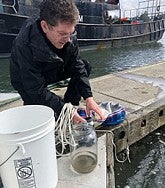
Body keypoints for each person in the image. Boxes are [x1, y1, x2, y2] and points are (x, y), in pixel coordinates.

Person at [10, 0, 104, 123]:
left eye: (71, 33)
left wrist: (88, 97)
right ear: (45, 26)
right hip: (26, 77)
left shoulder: (69, 35)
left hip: (54, 66)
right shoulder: (24, 43)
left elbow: (77, 65)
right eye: (62, 34)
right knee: (36, 105)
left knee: (84, 66)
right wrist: (62, 109)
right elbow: (34, 89)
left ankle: (71, 104)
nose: (68, 39)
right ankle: (61, 110)